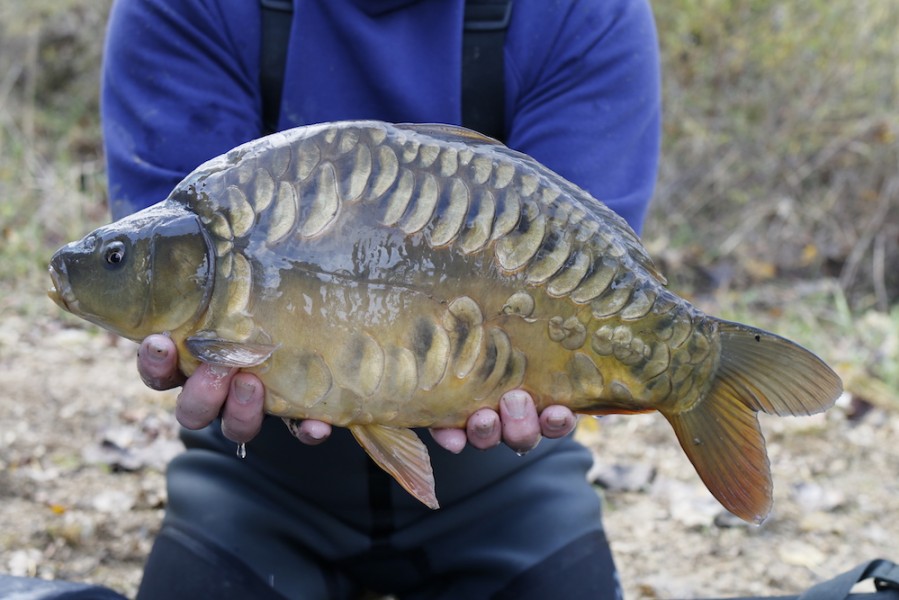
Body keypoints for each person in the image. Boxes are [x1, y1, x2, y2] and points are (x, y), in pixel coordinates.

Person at [101, 0, 661, 598]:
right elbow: (162, 240)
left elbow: (587, 279)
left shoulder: (581, 11)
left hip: (506, 476)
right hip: (253, 472)